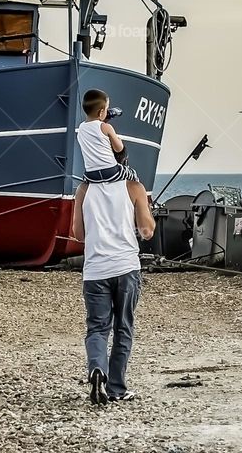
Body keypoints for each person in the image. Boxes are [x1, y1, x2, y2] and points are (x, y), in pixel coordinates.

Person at [70, 126, 155, 405]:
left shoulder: (84, 190)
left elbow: (78, 234)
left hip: (95, 271)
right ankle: (117, 387)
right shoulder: (134, 186)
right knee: (123, 328)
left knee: (97, 328)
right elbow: (147, 231)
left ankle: (97, 368)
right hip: (126, 268)